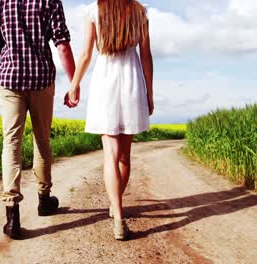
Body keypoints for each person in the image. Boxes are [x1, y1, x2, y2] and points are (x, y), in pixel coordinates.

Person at [64, 0, 154, 240]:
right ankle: (115, 208)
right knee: (124, 156)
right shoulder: (140, 11)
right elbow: (146, 55)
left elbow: (85, 54)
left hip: (105, 83)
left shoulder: (94, 10)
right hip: (132, 82)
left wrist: (73, 86)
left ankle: (119, 217)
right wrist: (149, 92)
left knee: (110, 155)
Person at [0, 0, 76, 239]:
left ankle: (12, 215)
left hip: (9, 79)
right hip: (41, 79)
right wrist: (74, 83)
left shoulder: (1, 1)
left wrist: (5, 71)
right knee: (42, 141)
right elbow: (63, 45)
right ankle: (44, 200)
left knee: (11, 143)